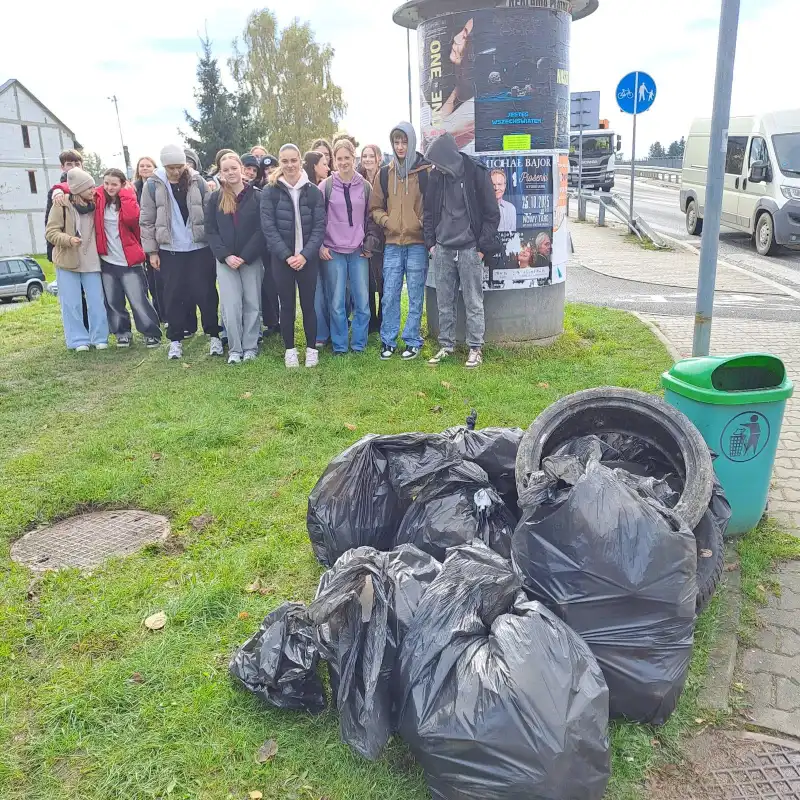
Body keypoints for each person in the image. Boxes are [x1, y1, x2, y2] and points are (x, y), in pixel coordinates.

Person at [52, 168, 162, 348]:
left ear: (123, 184)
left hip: (129, 260)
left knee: (138, 299)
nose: (110, 187)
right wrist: (57, 189)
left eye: (115, 184)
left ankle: (150, 332)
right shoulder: (97, 197)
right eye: (107, 183)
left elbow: (132, 218)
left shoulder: (129, 199)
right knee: (113, 301)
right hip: (107, 261)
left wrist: (126, 194)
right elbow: (75, 185)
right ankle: (122, 332)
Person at [424, 133, 500, 369]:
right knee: (444, 301)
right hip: (443, 249)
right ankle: (446, 346)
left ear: (446, 157)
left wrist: (480, 248)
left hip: (469, 249)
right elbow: (428, 213)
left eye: (437, 161)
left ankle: (475, 348)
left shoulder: (476, 172)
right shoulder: (436, 177)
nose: (434, 166)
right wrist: (432, 244)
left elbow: (491, 214)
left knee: (473, 301)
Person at [140, 144, 223, 360]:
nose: (176, 171)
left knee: (205, 292)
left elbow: (209, 212)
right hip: (170, 249)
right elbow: (147, 220)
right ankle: (175, 340)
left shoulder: (198, 181)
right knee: (173, 294)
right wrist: (152, 252)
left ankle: (214, 334)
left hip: (199, 247)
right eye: (171, 168)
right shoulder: (152, 185)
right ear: (164, 166)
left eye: (179, 167)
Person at [260, 144, 325, 368]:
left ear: (300, 161)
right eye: (285, 161)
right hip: (282, 260)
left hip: (307, 259)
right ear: (280, 162)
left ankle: (311, 349)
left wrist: (305, 255)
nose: (289, 165)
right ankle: (290, 350)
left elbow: (319, 227)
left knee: (309, 305)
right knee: (286, 305)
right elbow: (268, 228)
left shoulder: (313, 191)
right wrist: (287, 255)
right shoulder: (270, 191)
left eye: (293, 160)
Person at [369, 122, 430, 361]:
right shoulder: (384, 173)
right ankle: (388, 340)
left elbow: (432, 205)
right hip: (393, 244)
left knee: (415, 295)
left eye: (404, 141)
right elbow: (374, 207)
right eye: (396, 142)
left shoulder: (424, 172)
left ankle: (413, 340)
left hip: (417, 244)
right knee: (390, 294)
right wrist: (387, 221)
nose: (400, 146)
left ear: (411, 142)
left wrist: (420, 222)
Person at [205, 153, 265, 365]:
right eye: (226, 169)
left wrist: (245, 256)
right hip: (226, 262)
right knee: (230, 305)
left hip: (251, 260)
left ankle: (250, 346)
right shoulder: (215, 198)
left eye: (233, 168)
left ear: (241, 168)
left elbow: (261, 230)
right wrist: (226, 256)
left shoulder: (257, 196)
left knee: (252, 303)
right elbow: (211, 231)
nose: (230, 172)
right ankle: (235, 348)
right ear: (221, 172)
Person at [45, 167, 109, 351]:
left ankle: (100, 337)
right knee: (71, 303)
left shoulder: (96, 203)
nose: (92, 190)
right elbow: (51, 232)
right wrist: (69, 240)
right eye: (88, 187)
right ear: (78, 189)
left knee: (96, 301)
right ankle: (78, 340)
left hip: (92, 260)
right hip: (67, 260)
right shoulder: (61, 204)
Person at [320, 140, 372, 354]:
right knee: (337, 302)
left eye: (347, 158)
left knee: (362, 300)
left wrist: (369, 243)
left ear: (354, 158)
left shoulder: (365, 186)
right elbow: (317, 218)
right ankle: (340, 345)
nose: (343, 163)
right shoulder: (327, 185)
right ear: (334, 160)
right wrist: (320, 245)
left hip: (358, 250)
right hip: (333, 250)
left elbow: (370, 218)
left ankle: (359, 344)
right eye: (339, 159)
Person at [46, 149, 89, 328]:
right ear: (62, 167)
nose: (73, 167)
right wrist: (52, 250)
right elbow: (49, 224)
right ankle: (79, 330)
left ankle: (93, 326)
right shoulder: (56, 193)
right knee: (72, 295)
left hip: (89, 250)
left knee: (92, 293)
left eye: (77, 164)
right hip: (66, 248)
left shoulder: (88, 187)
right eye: (69, 164)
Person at [358, 144, 385, 334]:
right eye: (364, 156)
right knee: (366, 282)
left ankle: (383, 319)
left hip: (382, 236)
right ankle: (370, 321)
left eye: (371, 156)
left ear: (378, 158)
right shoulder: (357, 180)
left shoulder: (384, 177)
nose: (367, 159)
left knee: (383, 281)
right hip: (362, 236)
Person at [133, 156, 163, 320]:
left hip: (156, 236)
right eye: (141, 166)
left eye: (148, 165)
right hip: (139, 238)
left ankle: (165, 312)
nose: (144, 168)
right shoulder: (132, 189)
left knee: (160, 277)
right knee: (149, 280)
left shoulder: (158, 186)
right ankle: (156, 312)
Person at [259, 153, 281, 338]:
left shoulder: (282, 187)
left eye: (272, 167)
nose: (269, 171)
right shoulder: (257, 189)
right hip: (263, 245)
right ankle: (272, 321)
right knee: (269, 286)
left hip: (281, 244)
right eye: (265, 169)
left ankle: (282, 319)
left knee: (281, 284)